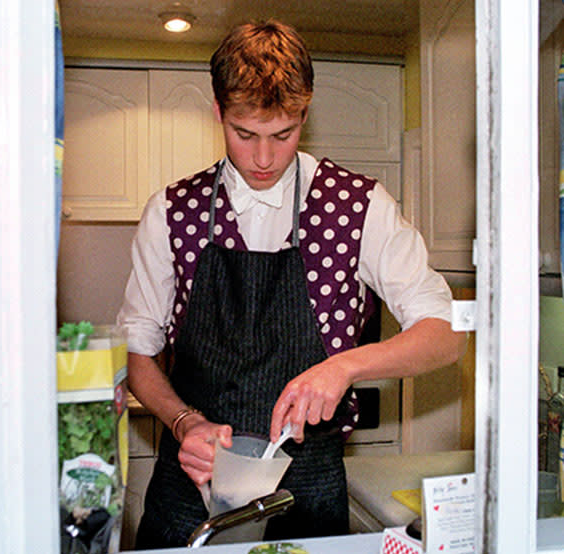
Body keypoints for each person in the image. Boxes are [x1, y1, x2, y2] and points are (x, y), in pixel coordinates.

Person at [116, 19, 467, 549]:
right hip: (191, 489)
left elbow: (445, 334)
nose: (262, 159)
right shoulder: (171, 213)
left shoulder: (358, 207)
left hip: (308, 491)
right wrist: (184, 421)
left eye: (282, 135)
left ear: (305, 113)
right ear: (218, 113)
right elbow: (138, 357)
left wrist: (345, 365)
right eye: (244, 133)